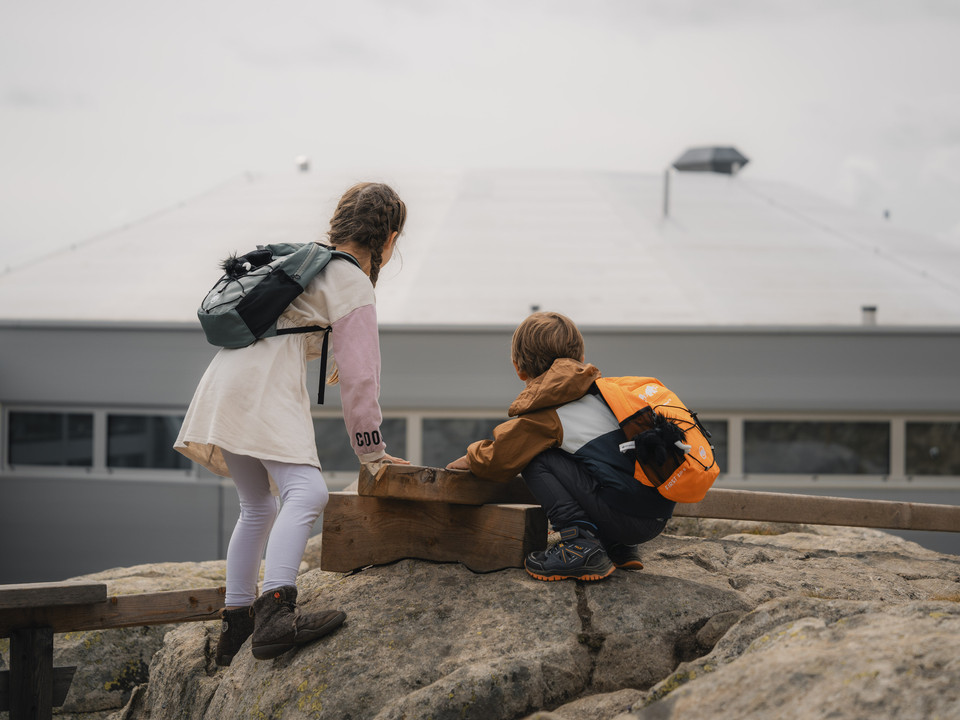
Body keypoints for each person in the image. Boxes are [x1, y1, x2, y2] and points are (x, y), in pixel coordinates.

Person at [175, 182, 410, 665]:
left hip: (225, 379)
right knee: (308, 492)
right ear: (388, 239)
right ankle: (277, 613)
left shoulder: (310, 262)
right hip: (261, 387)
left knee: (257, 505)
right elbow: (362, 379)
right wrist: (372, 453)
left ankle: (236, 622)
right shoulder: (352, 279)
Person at [447, 311, 675, 582]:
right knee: (582, 456)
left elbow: (500, 459)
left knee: (535, 455)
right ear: (580, 358)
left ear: (518, 368)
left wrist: (471, 458)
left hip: (627, 516)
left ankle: (580, 544)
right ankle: (616, 546)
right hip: (656, 514)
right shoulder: (605, 393)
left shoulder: (549, 410)